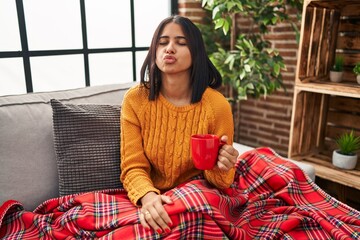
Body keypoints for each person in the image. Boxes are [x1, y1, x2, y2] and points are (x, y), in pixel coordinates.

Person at [120, 15, 239, 235]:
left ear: (196, 53)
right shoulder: (135, 100)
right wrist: (148, 197)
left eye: (181, 43)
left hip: (198, 191)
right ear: (154, 50)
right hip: (152, 193)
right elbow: (133, 166)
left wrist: (222, 164)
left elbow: (221, 182)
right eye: (163, 42)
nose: (170, 49)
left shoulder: (216, 105)